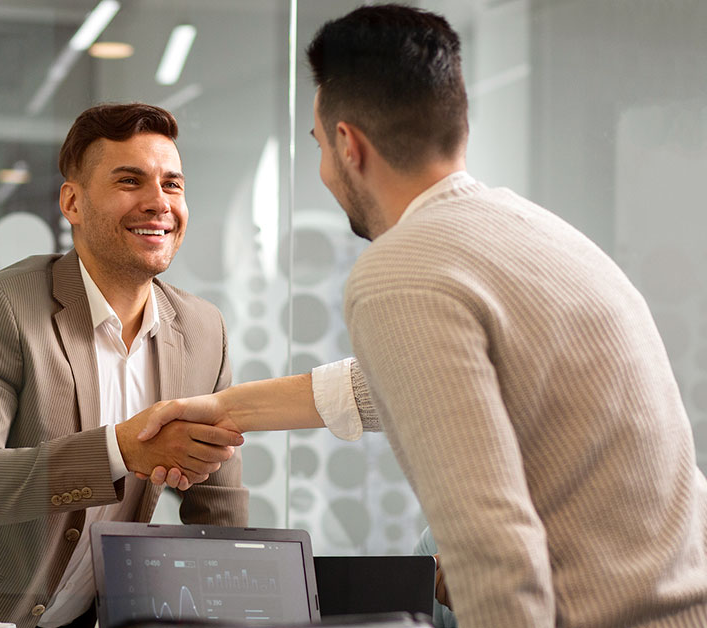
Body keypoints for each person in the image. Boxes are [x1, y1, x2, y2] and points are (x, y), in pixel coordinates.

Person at [133, 5, 707, 626]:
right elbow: (393, 384)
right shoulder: (537, 234)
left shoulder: (404, 268)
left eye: (320, 147)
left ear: (349, 145)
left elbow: (491, 545)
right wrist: (223, 411)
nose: (324, 170)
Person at [0, 103, 249, 628]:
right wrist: (119, 449)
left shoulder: (202, 330)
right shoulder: (1, 309)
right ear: (72, 202)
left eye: (172, 184)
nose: (158, 203)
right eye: (130, 181)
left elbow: (217, 508)